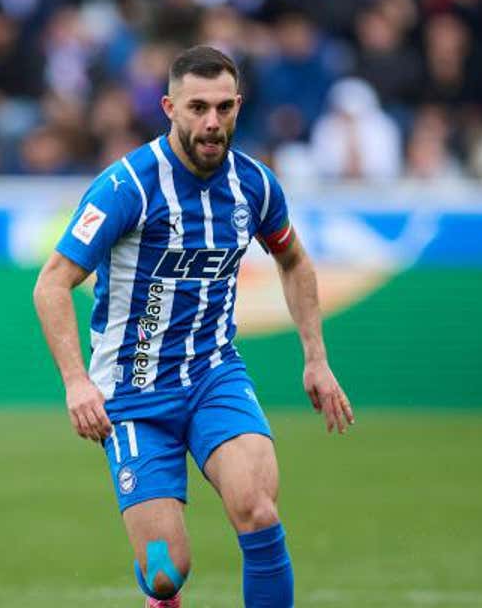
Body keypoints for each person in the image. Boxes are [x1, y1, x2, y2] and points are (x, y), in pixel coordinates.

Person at [33, 45, 354, 608]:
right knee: (164, 570)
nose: (212, 122)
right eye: (198, 107)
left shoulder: (254, 186)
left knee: (257, 509)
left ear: (238, 107)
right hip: (131, 394)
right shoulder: (126, 186)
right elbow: (52, 283)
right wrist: (77, 382)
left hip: (213, 376)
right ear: (169, 108)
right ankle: (163, 594)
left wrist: (316, 358)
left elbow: (295, 260)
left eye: (224, 108)